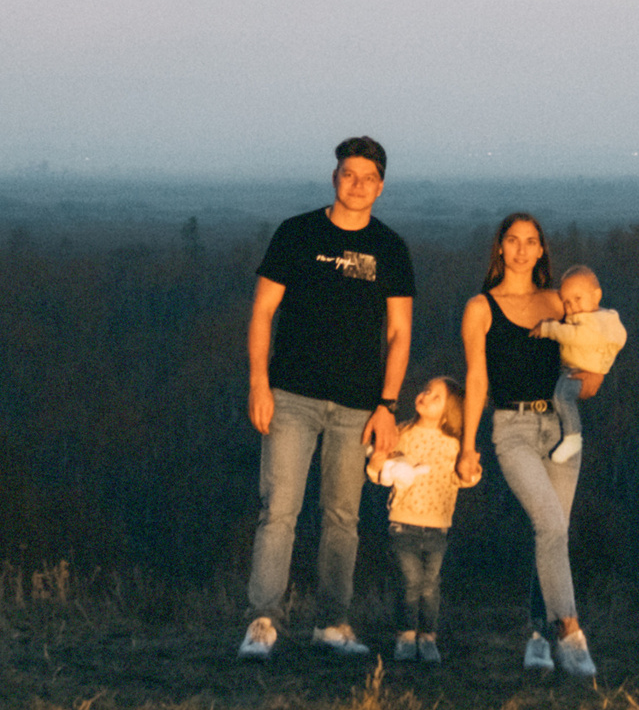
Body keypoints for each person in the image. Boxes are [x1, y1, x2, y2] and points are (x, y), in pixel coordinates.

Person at [239, 137, 415, 661]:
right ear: (334, 177)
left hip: (360, 407)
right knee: (279, 511)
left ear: (380, 187)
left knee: (343, 517)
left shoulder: (390, 248)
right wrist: (258, 384)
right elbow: (262, 313)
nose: (357, 185)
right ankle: (262, 623)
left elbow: (400, 333)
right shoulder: (296, 233)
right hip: (290, 396)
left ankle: (333, 624)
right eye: (348, 174)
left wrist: (388, 405)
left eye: (367, 178)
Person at [458, 211, 602, 679]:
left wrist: (595, 374)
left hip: (561, 427)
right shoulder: (481, 307)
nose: (522, 249)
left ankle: (538, 635)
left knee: (554, 530)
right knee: (549, 525)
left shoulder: (558, 302)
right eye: (513, 240)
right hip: (512, 429)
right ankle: (571, 633)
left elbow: (594, 341)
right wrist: (467, 445)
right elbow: (476, 379)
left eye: (531, 241)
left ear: (542, 250)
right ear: (500, 247)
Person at [366, 374, 474, 663]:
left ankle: (428, 637)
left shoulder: (454, 445)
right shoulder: (401, 433)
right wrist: (377, 461)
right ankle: (405, 635)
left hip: (438, 527)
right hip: (403, 524)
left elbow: (465, 479)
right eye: (426, 390)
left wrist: (472, 469)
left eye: (435, 396)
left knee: (430, 584)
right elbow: (380, 473)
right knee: (410, 581)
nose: (425, 395)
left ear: (449, 411)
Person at [534, 264, 627, 465]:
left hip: (579, 372)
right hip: (575, 369)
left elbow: (576, 336)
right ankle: (567, 435)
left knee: (562, 396)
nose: (572, 307)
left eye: (578, 299)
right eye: (566, 302)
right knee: (560, 397)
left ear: (597, 295)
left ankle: (572, 437)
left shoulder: (595, 322)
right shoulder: (601, 319)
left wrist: (549, 329)